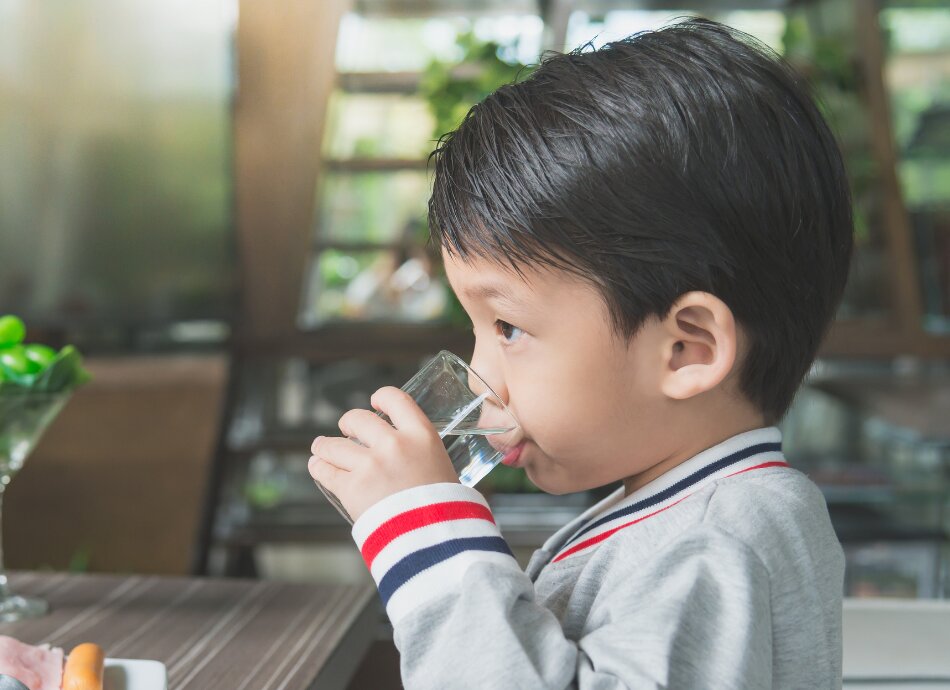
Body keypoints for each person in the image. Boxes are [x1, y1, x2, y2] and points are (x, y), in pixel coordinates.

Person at [309, 17, 852, 689]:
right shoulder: (694, 514)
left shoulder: (714, 541)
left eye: (508, 328)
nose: (484, 383)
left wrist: (429, 536)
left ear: (686, 349)